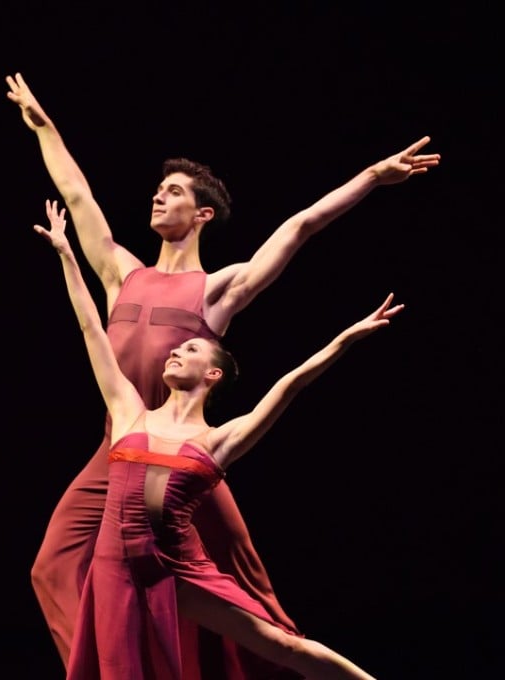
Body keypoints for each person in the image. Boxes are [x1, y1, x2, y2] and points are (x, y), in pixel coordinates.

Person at [6, 71, 439, 670]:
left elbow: (302, 225)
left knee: (251, 590)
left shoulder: (216, 290)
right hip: (122, 452)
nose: (159, 195)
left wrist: (370, 177)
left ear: (203, 213)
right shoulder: (120, 274)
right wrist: (44, 127)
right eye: (157, 189)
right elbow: (78, 197)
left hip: (187, 460)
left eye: (174, 190)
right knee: (51, 565)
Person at [33, 199, 398, 679]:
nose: (174, 352)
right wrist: (65, 254)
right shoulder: (127, 411)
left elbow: (290, 384)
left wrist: (344, 339)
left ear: (213, 372)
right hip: (115, 566)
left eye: (188, 348)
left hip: (176, 567)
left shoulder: (218, 441)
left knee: (278, 644)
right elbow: (90, 329)